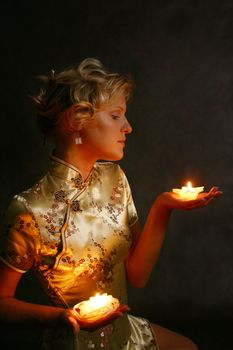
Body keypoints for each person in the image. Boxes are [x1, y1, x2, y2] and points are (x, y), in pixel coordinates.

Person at [0, 58, 221, 350]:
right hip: (74, 340)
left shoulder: (114, 178)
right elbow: (2, 303)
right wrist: (64, 317)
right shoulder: (29, 209)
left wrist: (163, 207)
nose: (127, 127)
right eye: (116, 116)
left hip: (125, 331)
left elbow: (137, 276)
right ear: (75, 121)